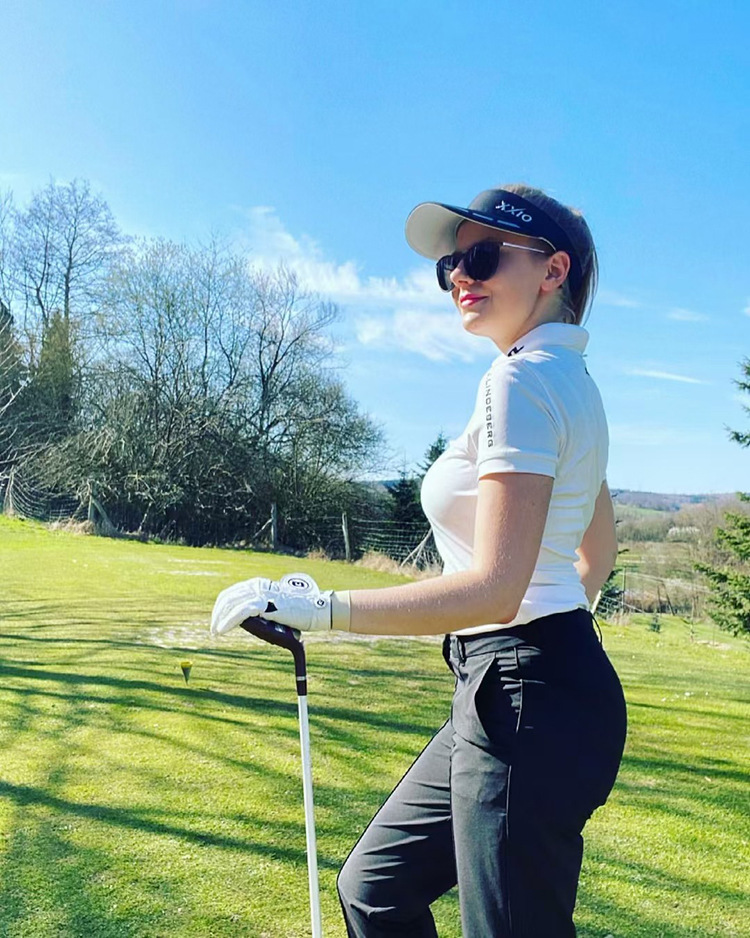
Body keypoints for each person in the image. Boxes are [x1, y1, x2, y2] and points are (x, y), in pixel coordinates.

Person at [210, 184, 628, 937]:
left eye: (482, 256)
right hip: (527, 683)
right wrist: (557, 635)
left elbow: (496, 590)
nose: (459, 275)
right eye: (450, 266)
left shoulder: (520, 380)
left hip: (524, 688)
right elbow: (597, 551)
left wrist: (321, 610)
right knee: (376, 886)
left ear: (552, 269)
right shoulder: (568, 379)